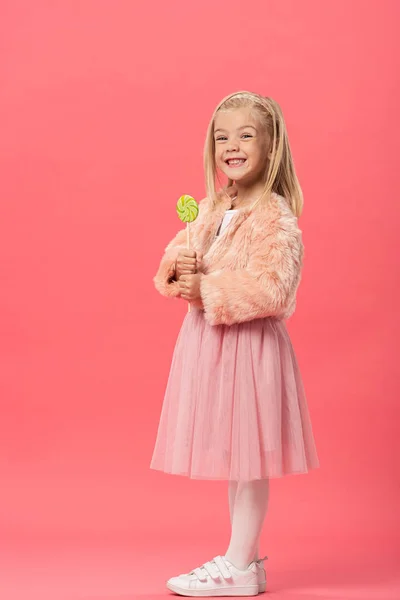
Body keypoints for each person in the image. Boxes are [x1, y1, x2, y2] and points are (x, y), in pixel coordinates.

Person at [151, 91, 320, 597]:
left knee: (249, 460)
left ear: (271, 147)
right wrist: (178, 269)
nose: (232, 145)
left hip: (248, 351)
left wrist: (208, 290)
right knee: (235, 458)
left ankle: (241, 564)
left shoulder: (277, 219)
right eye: (222, 137)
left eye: (246, 135)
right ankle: (240, 557)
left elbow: (272, 289)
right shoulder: (210, 207)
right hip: (212, 347)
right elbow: (181, 256)